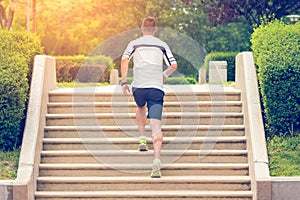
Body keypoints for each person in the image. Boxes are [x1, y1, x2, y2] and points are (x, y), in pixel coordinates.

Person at [121, 16, 177, 178]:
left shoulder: (134, 44)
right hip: (156, 89)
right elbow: (173, 65)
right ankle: (156, 161)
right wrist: (164, 75)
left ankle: (141, 138)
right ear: (156, 29)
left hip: (139, 87)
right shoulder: (162, 44)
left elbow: (124, 60)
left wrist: (124, 81)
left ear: (142, 28)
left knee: (140, 106)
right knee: (156, 124)